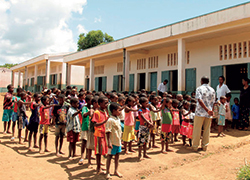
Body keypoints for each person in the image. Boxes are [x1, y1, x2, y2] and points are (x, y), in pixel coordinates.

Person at [192, 76, 215, 151]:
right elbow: (213, 102)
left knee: (197, 129)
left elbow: (199, 100)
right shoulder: (212, 90)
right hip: (209, 113)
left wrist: (206, 110)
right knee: (207, 130)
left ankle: (195, 146)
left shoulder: (199, 89)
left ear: (201, 81)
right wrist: (211, 111)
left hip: (200, 112)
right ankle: (205, 146)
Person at [91, 96, 109, 174]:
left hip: (104, 133)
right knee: (98, 151)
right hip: (98, 134)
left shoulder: (104, 111)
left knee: (102, 150)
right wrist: (104, 122)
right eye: (105, 103)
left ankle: (100, 165)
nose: (107, 104)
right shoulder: (96, 112)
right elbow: (95, 124)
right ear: (100, 103)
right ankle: (98, 168)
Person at [106, 102, 123, 179]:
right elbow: (108, 132)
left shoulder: (117, 119)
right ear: (114, 110)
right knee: (109, 156)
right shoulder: (110, 120)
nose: (120, 112)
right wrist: (109, 142)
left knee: (117, 156)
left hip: (118, 141)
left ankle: (116, 170)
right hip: (112, 142)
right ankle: (107, 172)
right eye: (119, 110)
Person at [79, 95, 93, 164]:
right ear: (87, 101)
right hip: (85, 126)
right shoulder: (85, 107)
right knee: (84, 141)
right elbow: (84, 114)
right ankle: (82, 156)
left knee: (89, 141)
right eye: (91, 100)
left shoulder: (92, 107)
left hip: (90, 127)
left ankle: (88, 155)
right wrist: (89, 112)